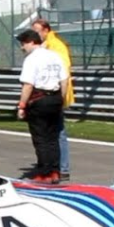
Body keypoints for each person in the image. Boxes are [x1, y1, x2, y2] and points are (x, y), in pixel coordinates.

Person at [16, 30, 68, 184]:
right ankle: (55, 171)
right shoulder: (54, 56)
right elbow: (64, 80)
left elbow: (28, 85)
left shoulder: (31, 59)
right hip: (56, 98)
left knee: (41, 138)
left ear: (31, 42)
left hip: (39, 100)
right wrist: (61, 100)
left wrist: (22, 105)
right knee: (53, 137)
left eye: (23, 44)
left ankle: (44, 173)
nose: (23, 47)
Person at [32, 18, 73, 181]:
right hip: (53, 95)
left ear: (46, 30)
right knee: (54, 132)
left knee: (58, 132)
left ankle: (62, 168)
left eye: (37, 31)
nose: (34, 34)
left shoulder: (56, 46)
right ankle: (54, 166)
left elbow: (63, 71)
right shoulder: (46, 46)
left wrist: (58, 97)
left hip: (56, 94)